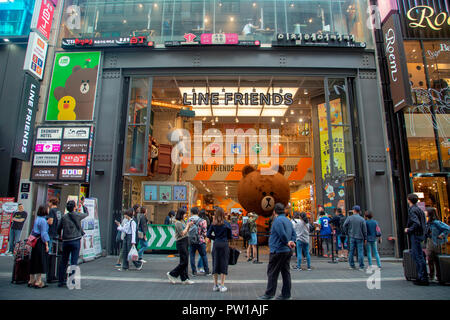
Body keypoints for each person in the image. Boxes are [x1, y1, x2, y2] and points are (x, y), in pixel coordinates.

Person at [258, 203, 296, 300]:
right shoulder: (288, 221)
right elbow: (293, 233)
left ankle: (269, 294)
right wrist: (291, 241)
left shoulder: (277, 221)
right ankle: (286, 294)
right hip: (287, 251)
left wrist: (287, 242)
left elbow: (281, 234)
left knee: (272, 272)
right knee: (285, 272)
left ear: (274, 211)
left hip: (278, 250)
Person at [56, 200, 88, 287]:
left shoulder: (64, 217)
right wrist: (83, 205)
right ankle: (71, 280)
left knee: (63, 261)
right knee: (73, 261)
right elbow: (86, 214)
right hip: (75, 240)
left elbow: (58, 228)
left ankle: (61, 280)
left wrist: (60, 236)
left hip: (66, 241)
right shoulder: (77, 215)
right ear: (75, 207)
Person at [405, 193, 429, 285]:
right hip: (420, 235)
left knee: (418, 256)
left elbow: (417, 223)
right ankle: (422, 276)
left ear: (409, 200)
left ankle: (422, 278)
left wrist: (409, 229)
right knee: (419, 255)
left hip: (415, 235)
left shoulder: (412, 210)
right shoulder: (419, 210)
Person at [207, 207, 232, 292]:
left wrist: (215, 238)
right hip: (224, 244)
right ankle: (222, 285)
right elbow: (230, 236)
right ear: (223, 214)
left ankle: (215, 285)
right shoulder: (227, 224)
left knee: (215, 263)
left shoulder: (213, 224)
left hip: (216, 244)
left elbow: (208, 234)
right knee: (224, 263)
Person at [167, 208, 195, 285]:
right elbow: (182, 233)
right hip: (181, 242)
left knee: (184, 261)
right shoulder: (178, 223)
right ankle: (172, 274)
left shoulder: (183, 221)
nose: (185, 215)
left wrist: (189, 225)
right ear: (181, 214)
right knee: (184, 261)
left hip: (185, 241)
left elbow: (187, 231)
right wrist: (188, 225)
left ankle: (184, 278)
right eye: (184, 214)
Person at [425, 207, 450, 283]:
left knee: (436, 259)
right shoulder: (428, 222)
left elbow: (448, 228)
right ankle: (432, 275)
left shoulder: (436, 222)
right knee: (430, 259)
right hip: (430, 241)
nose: (425, 212)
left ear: (430, 213)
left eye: (426, 211)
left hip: (436, 242)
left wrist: (442, 235)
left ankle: (439, 276)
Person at [29, 205, 50, 288]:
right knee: (40, 260)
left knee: (34, 260)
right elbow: (44, 233)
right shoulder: (44, 221)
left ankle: (31, 280)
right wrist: (47, 244)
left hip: (34, 241)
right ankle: (38, 281)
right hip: (40, 242)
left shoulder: (37, 219)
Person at [188, 207, 210, 276]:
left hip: (192, 241)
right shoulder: (203, 221)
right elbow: (205, 232)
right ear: (198, 212)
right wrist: (204, 237)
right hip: (200, 240)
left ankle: (194, 271)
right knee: (203, 255)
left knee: (192, 256)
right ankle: (206, 271)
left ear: (191, 212)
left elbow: (187, 229)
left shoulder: (189, 220)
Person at [343, 205, 367, 270]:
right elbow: (364, 230)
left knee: (351, 251)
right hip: (360, 237)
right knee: (360, 251)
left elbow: (344, 225)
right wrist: (365, 238)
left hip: (352, 236)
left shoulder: (349, 218)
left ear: (354, 210)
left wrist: (347, 232)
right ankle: (361, 265)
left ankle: (352, 265)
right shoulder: (362, 219)